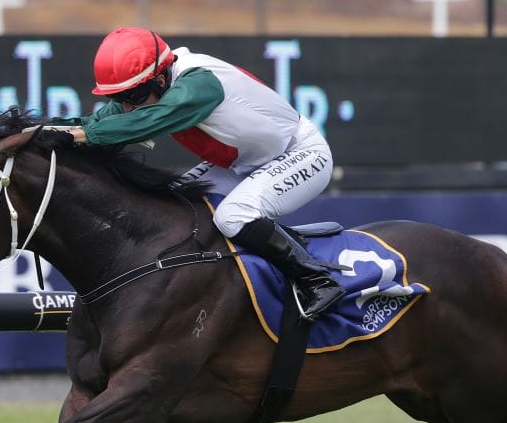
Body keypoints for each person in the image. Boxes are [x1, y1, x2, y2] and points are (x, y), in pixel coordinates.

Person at [38, 26, 343, 321]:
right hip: (244, 165)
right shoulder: (146, 89)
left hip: (301, 153)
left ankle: (317, 279)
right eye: (119, 98)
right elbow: (91, 123)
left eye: (133, 96)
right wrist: (34, 131)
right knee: (174, 208)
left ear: (160, 80)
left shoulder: (199, 83)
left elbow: (144, 122)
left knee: (232, 217)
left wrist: (77, 137)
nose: (127, 107)